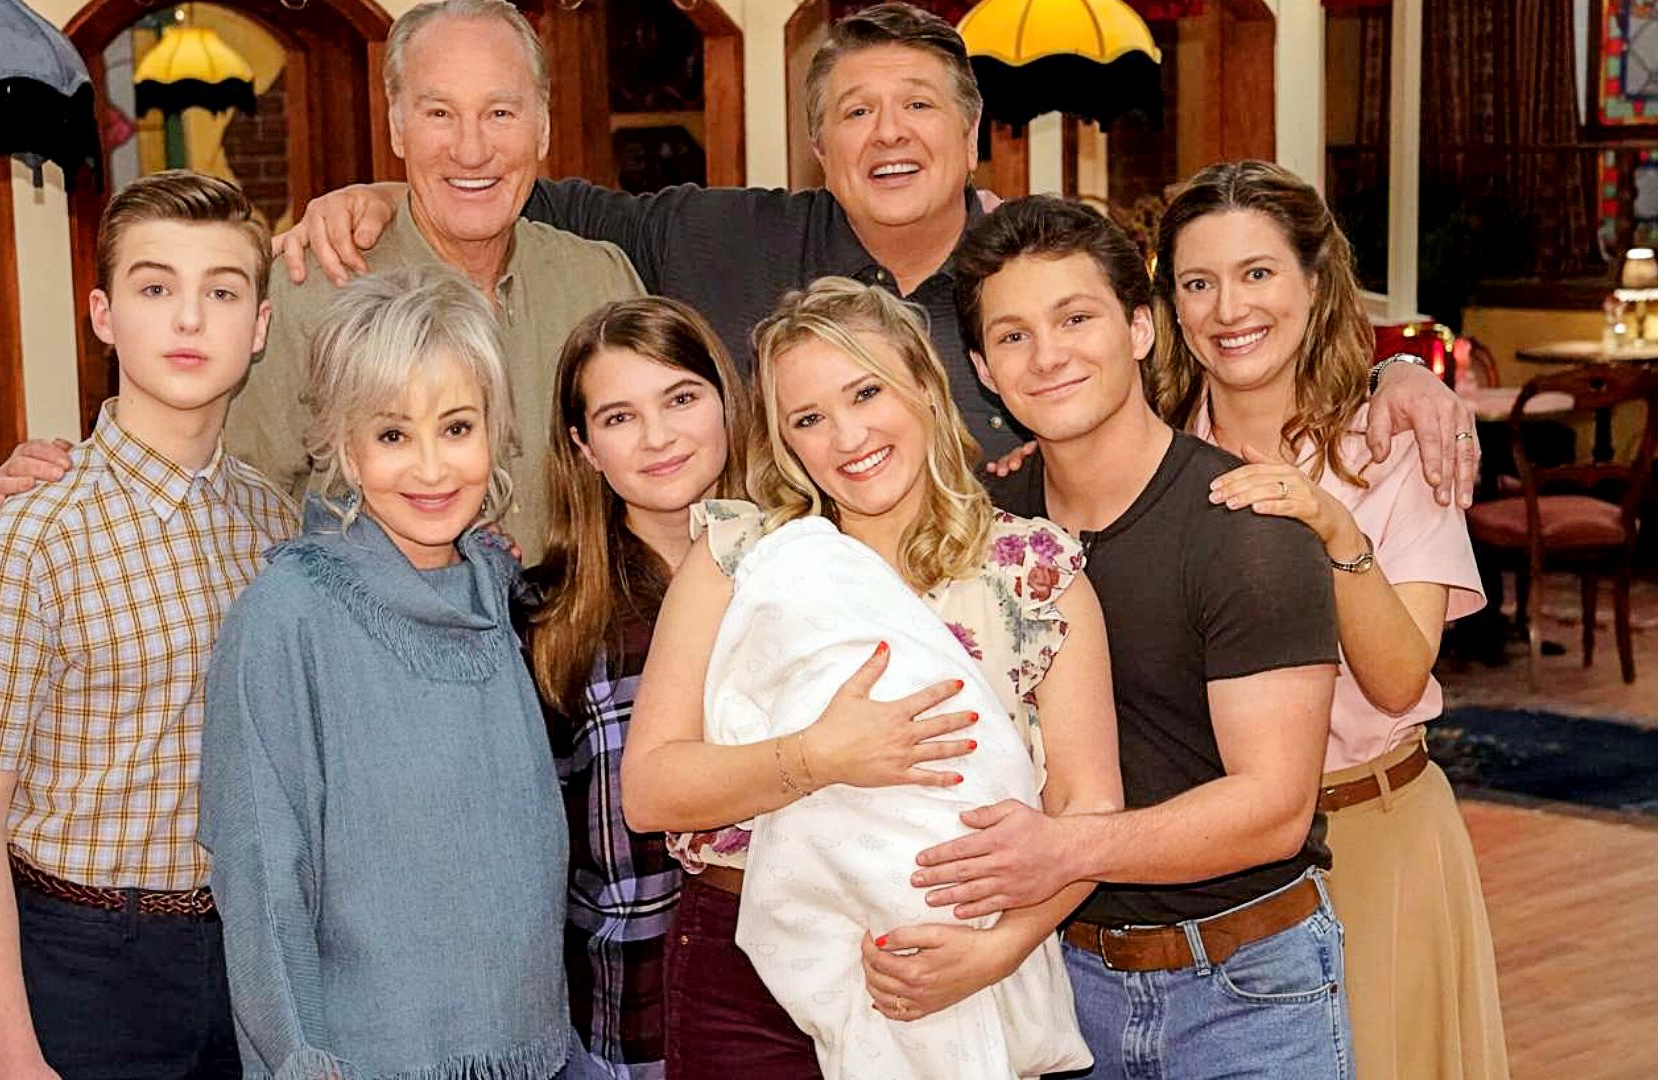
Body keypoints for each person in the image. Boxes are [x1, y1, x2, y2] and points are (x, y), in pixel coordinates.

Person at [278, 3, 1483, 508]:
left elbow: (1225, 344)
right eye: (856, 111)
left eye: (918, 107)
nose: (888, 134)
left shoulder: (1048, 278)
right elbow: (507, 187)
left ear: (973, 131)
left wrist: (1391, 373)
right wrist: (379, 192)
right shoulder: (720, 238)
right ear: (818, 145)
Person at [625, 277, 1121, 1078]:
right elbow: (650, 791)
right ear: (784, 442)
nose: (847, 436)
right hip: (746, 970)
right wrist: (817, 757)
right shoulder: (740, 558)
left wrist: (1000, 949)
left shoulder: (1033, 575)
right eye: (808, 419)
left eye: (866, 392)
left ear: (924, 384)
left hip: (958, 960)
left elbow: (1089, 813)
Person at [929, 196, 1350, 1077]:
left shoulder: (1246, 529)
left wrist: (1064, 849)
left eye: (1075, 319)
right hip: (1053, 984)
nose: (1048, 356)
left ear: (1140, 329)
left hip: (1243, 989)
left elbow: (1275, 809)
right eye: (1013, 336)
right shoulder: (979, 530)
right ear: (982, 370)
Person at [0, 0, 643, 554]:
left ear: (543, 127)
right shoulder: (306, 290)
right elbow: (203, 493)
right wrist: (70, 485)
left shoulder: (598, 283)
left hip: (584, 658)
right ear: (397, 127)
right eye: (439, 113)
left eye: (501, 112)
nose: (472, 149)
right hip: (371, 665)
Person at [0, 171, 296, 1079]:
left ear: (258, 327)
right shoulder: (28, 541)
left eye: (221, 292)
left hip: (251, 951)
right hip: (88, 958)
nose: (189, 319)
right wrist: (9, 1056)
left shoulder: (276, 524)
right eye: (155, 287)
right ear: (103, 315)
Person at [1150, 160, 1507, 1080]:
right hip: (1211, 860)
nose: (1229, 308)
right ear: (1170, 308)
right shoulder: (1151, 460)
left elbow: (1397, 679)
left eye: (1258, 273)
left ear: (1314, 283)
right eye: (1199, 282)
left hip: (1371, 837)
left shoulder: (1393, 449)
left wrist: (1333, 526)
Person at [198, 264, 575, 1079]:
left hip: (537, 1048)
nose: (432, 470)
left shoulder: (500, 586)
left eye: (457, 427)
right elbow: (263, 878)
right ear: (345, 445)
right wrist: (301, 1060)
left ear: (496, 430)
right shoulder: (287, 613)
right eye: (393, 435)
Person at [525, 297, 751, 1078]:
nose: (658, 437)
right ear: (584, 447)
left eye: (681, 398)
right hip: (629, 1018)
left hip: (803, 1008)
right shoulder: (546, 615)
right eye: (619, 417)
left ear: (726, 399)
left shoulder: (807, 563)